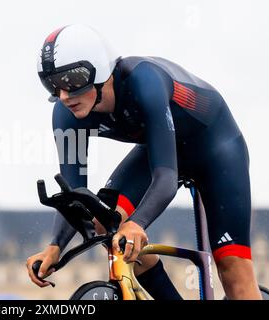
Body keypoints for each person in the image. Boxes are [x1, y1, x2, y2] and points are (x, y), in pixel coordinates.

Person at [25, 24, 262, 300]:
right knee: (106, 223)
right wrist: (55, 247)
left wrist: (136, 222)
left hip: (215, 149)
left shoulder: (144, 81)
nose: (64, 95)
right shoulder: (66, 115)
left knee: (233, 269)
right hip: (162, 149)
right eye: (53, 84)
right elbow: (75, 195)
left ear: (99, 70)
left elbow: (164, 180)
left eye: (71, 81)